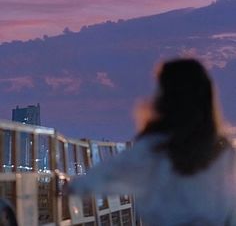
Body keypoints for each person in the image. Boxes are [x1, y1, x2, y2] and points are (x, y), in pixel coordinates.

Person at [68, 58, 236, 225]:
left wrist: (66, 184)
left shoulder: (153, 147)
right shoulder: (223, 150)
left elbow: (91, 183)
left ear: (166, 97)